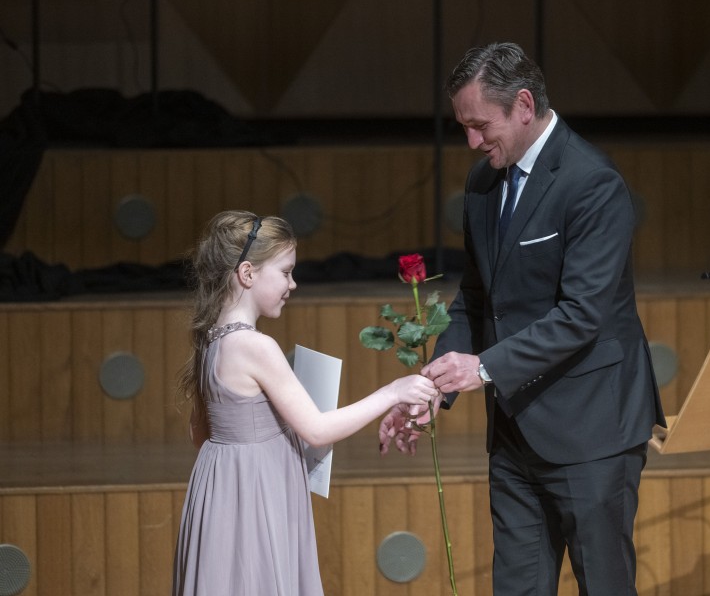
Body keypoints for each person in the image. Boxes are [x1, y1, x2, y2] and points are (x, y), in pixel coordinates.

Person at [379, 43, 666, 595]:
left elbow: (581, 315)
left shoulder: (592, 181)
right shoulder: (483, 183)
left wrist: (482, 368)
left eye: (480, 126)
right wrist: (435, 386)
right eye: (464, 127)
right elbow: (476, 297)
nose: (472, 142)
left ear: (524, 106)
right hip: (514, 433)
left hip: (591, 431)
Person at [172, 211, 438, 596]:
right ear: (247, 273)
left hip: (222, 490)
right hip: (256, 493)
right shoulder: (256, 346)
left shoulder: (210, 340)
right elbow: (316, 429)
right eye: (285, 272)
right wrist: (393, 392)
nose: (292, 284)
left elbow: (200, 434)